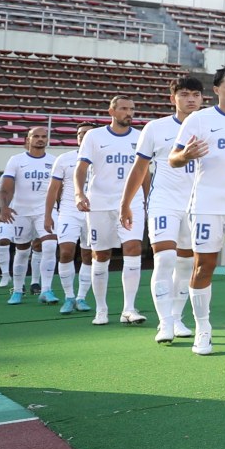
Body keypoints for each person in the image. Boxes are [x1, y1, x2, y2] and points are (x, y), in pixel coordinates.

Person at [170, 65, 225, 356]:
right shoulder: (199, 119)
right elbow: (173, 159)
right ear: (217, 90)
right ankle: (203, 329)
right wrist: (186, 154)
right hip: (206, 205)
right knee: (203, 266)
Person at [121, 75, 205, 345]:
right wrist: (126, 203)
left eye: (195, 94)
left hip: (197, 204)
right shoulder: (155, 128)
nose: (190, 99)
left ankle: (178, 318)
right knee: (164, 259)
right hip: (164, 202)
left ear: (203, 98)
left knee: (186, 263)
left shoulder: (211, 126)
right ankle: (165, 323)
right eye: (184, 94)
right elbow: (139, 167)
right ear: (173, 99)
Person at [72, 99, 146, 326]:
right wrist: (78, 194)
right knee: (101, 255)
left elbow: (145, 172)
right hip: (100, 203)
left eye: (132, 109)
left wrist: (149, 198)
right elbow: (81, 168)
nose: (129, 113)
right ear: (112, 111)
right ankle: (101, 309)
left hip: (132, 203)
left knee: (133, 248)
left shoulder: (141, 136)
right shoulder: (94, 136)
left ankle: (129, 308)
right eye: (124, 109)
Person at [0, 127, 53, 304]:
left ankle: (46, 289)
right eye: (36, 136)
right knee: (22, 251)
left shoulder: (54, 161)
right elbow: (5, 188)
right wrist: (3, 208)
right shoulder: (16, 160)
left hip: (44, 211)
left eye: (44, 137)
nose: (40, 139)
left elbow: (58, 188)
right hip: (21, 212)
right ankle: (17, 290)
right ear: (28, 139)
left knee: (49, 246)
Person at [44, 127, 95, 311]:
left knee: (88, 255)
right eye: (80, 133)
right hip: (68, 212)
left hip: (94, 213)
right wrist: (48, 215)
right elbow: (53, 189)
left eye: (88, 133)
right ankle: (69, 297)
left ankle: (81, 297)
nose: (83, 136)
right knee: (66, 252)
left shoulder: (102, 156)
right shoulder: (64, 159)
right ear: (77, 137)